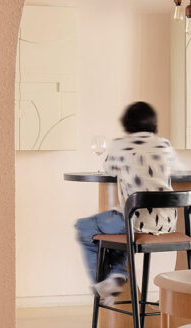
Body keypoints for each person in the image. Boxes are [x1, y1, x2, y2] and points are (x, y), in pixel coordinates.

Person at [75, 101, 180, 302]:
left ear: (127, 124)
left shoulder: (121, 146)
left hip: (135, 220)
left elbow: (109, 169)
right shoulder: (165, 144)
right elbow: (175, 169)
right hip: (168, 222)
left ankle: (110, 278)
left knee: (84, 227)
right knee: (118, 234)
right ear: (153, 124)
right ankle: (116, 274)